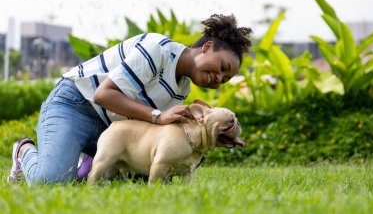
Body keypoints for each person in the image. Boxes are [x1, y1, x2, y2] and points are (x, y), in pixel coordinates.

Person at [9, 14, 253, 185]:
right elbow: (103, 95)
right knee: (51, 180)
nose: (219, 78)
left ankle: (88, 162)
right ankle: (24, 152)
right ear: (207, 47)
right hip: (75, 105)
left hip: (113, 130)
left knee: (150, 175)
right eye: (222, 67)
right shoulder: (157, 49)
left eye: (226, 78)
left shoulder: (182, 89)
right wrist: (158, 117)